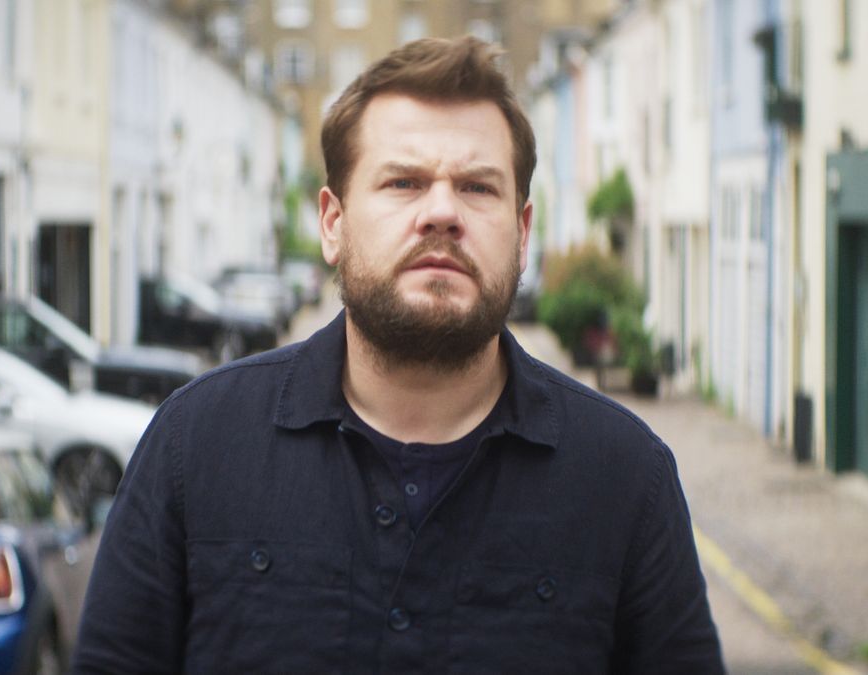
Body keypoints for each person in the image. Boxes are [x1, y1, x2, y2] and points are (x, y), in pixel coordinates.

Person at [72, 36, 724, 674]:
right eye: (404, 182)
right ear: (333, 223)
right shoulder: (195, 447)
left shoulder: (625, 477)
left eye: (477, 187)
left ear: (523, 234)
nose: (441, 212)